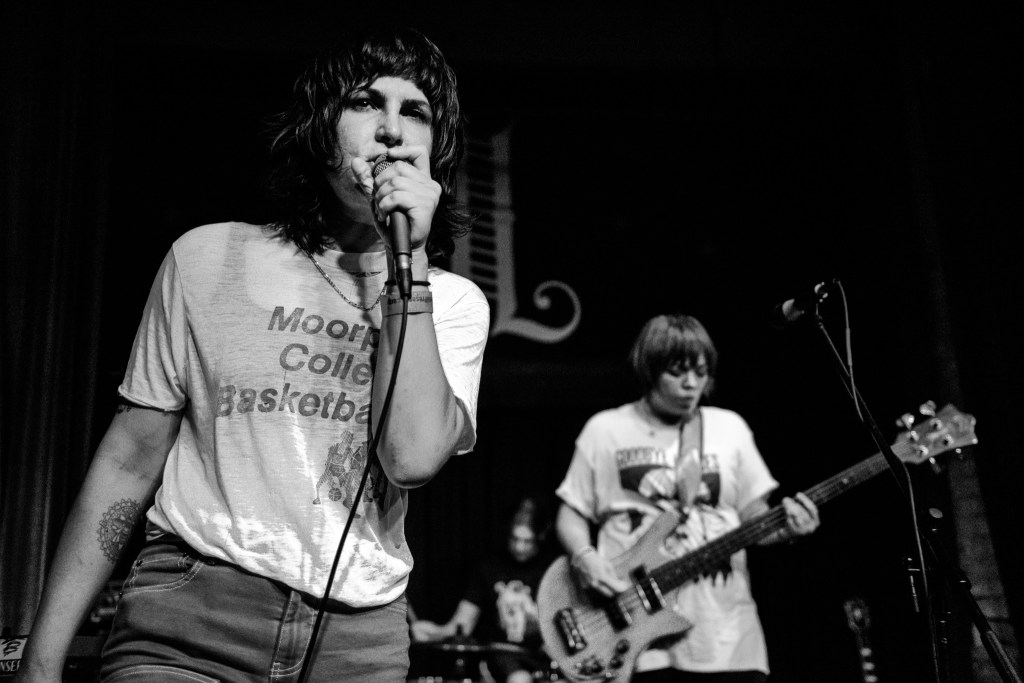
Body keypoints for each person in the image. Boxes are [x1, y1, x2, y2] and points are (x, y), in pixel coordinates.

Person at [16, 28, 489, 682]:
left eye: (415, 112)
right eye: (364, 102)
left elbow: (408, 457)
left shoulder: (454, 303)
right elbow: (129, 458)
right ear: (320, 127)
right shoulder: (208, 258)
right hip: (192, 616)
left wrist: (403, 259)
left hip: (356, 644)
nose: (390, 129)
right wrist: (41, 658)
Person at [554, 314, 819, 683]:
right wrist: (585, 558)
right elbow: (571, 512)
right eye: (677, 372)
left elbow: (754, 515)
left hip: (728, 638)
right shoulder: (606, 429)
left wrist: (788, 529)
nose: (692, 383)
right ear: (649, 370)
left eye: (701, 371)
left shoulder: (730, 428)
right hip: (638, 639)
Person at [411, 498, 554, 683]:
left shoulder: (552, 570)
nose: (520, 547)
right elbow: (462, 625)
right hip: (504, 655)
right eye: (515, 539)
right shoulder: (489, 568)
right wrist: (432, 633)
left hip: (544, 654)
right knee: (520, 679)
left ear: (541, 536)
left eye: (527, 541)